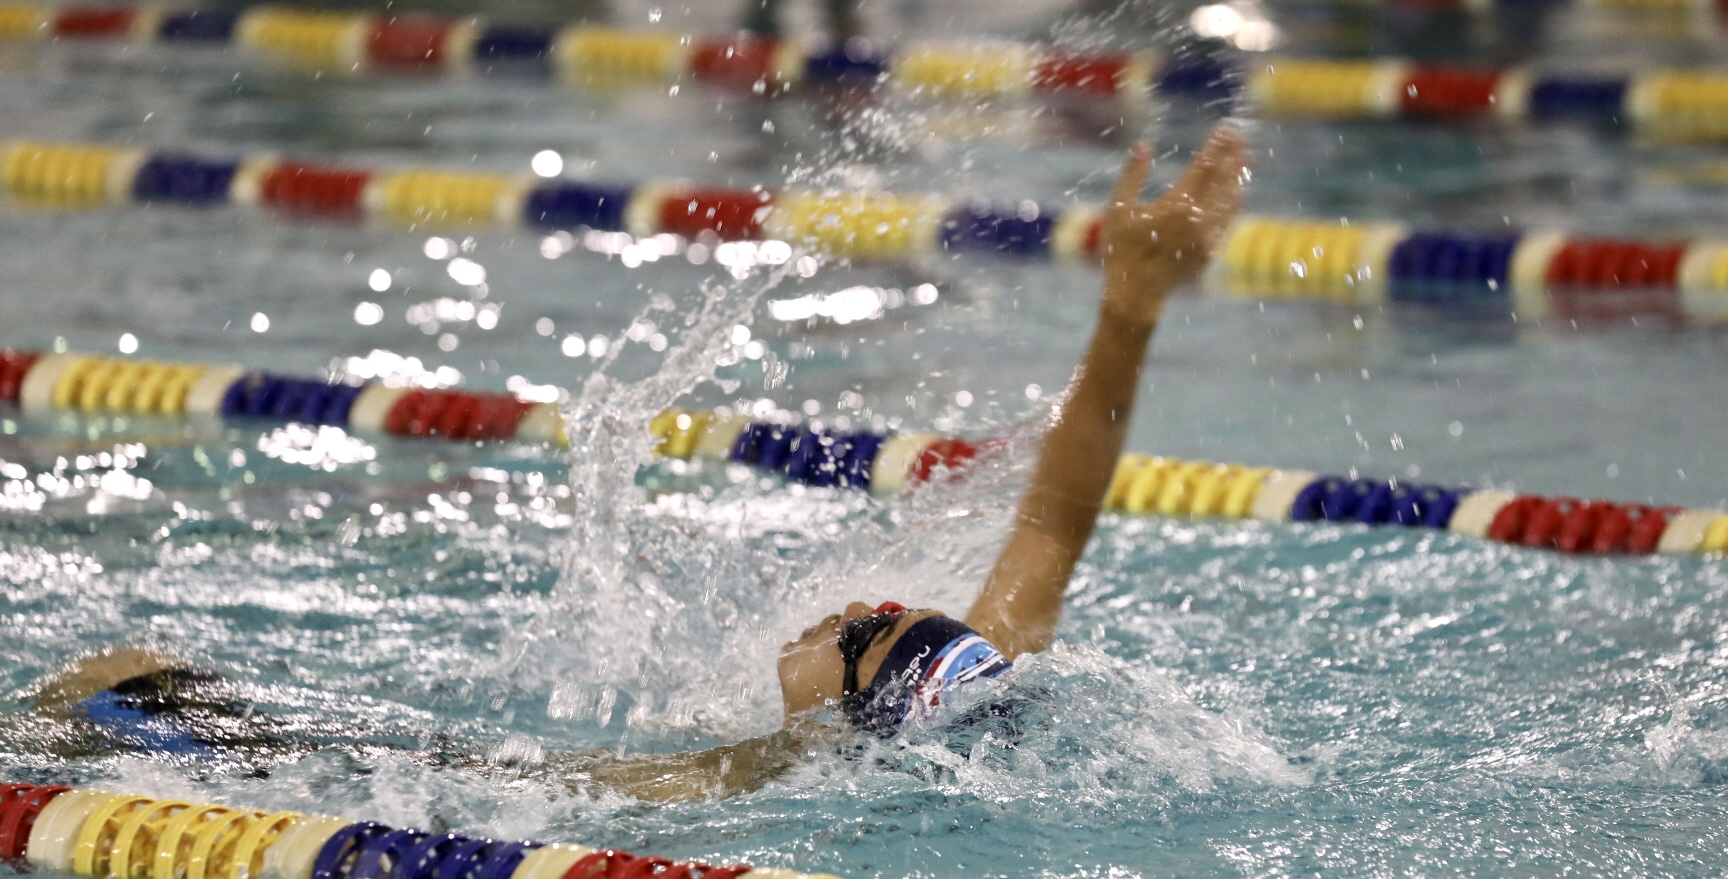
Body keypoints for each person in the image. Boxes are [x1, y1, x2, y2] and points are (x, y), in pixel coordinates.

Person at [24, 127, 1250, 803]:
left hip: (361, 772)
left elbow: (447, 785)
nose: (866, 601)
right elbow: (1051, 524)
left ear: (850, 705)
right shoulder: (904, 711)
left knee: (105, 679)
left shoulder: (718, 783)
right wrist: (1132, 309)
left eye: (871, 632)